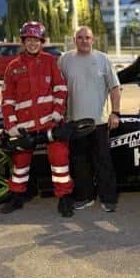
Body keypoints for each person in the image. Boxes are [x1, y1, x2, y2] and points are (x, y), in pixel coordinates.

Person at [0, 22, 73, 216]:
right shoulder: (13, 67)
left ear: (42, 42)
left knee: (60, 161)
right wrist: (11, 126)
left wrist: (57, 113)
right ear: (23, 41)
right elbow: (7, 100)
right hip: (24, 127)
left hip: (50, 123)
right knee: (20, 164)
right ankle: (16, 197)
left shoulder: (50, 61)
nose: (33, 44)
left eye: (36, 40)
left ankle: (64, 199)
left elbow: (60, 89)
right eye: (29, 40)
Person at [58, 26, 121, 213]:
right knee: (80, 163)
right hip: (74, 122)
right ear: (74, 40)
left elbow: (115, 88)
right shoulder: (64, 60)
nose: (84, 41)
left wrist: (115, 113)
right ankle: (85, 197)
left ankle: (108, 199)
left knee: (103, 162)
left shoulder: (103, 59)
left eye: (87, 37)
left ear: (93, 40)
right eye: (80, 37)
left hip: (98, 122)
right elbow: (57, 88)